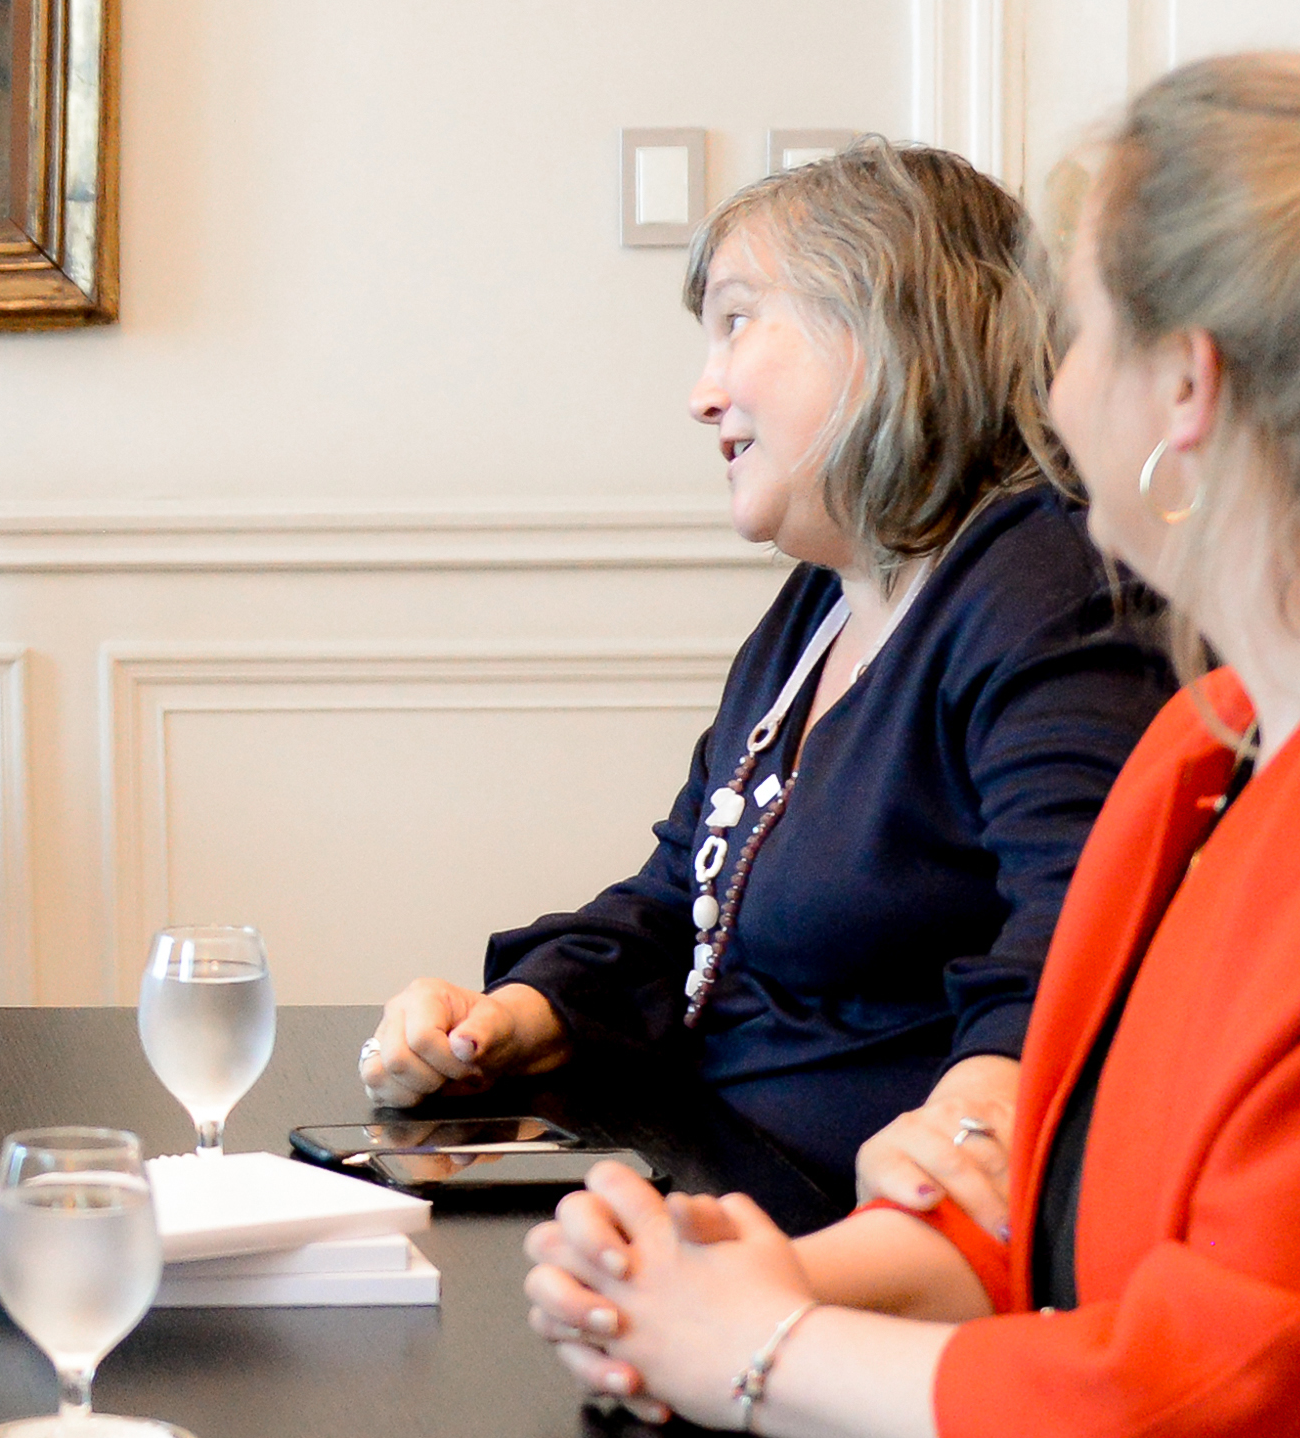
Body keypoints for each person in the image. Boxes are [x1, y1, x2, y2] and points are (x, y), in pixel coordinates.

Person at [525, 52, 1300, 1438]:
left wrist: (760, 1350)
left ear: (1183, 387)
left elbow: (1232, 1408)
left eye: (1076, 334)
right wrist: (771, 1272)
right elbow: (1055, 1210)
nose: (1045, 385)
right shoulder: (1206, 748)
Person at [360, 142, 1174, 1219]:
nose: (704, 396)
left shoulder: (1046, 583)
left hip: (867, 1227)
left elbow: (1081, 942)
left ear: (890, 323)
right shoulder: (823, 600)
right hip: (707, 1160)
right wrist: (519, 1011)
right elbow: (681, 899)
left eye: (738, 322)